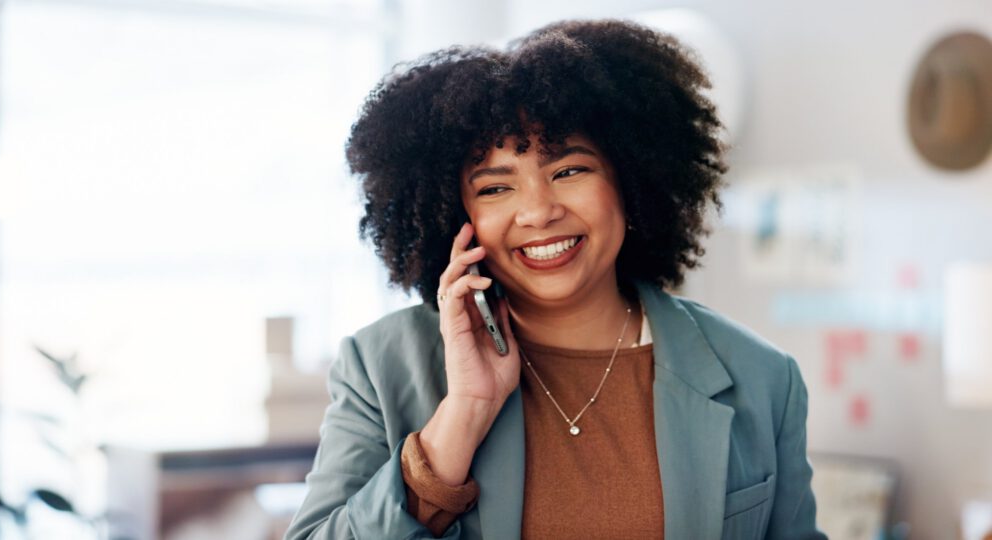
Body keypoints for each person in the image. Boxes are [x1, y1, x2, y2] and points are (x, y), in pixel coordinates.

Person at [285, 18, 825, 540]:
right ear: (455, 216)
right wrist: (462, 416)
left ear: (631, 182)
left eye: (568, 171)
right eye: (496, 188)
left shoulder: (761, 377)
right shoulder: (379, 366)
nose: (538, 212)